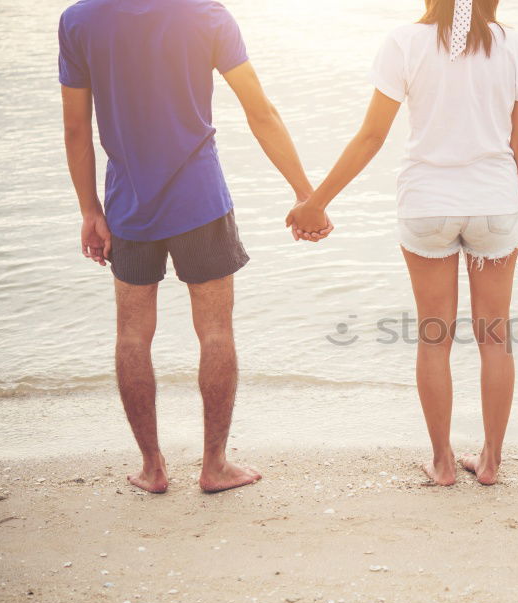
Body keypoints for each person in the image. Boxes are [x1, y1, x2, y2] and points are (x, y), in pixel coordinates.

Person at [58, 0, 329, 493]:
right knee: (216, 331)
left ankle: (152, 468)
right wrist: (305, 195)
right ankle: (214, 466)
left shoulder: (80, 20)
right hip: (200, 199)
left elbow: (76, 128)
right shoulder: (205, 14)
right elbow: (260, 111)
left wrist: (90, 210)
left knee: (133, 335)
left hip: (128, 203)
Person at [288, 0, 518, 485]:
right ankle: (489, 464)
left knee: (434, 337)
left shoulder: (404, 43)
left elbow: (371, 137)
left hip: (427, 206)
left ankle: (443, 463)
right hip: (495, 206)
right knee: (495, 338)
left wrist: (316, 202)